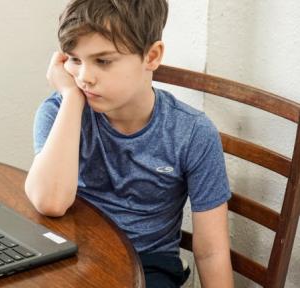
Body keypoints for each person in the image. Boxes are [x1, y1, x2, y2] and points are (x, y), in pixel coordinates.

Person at [24, 0, 234, 287]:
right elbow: (50, 202)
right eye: (74, 59)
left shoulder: (193, 133)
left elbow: (211, 252)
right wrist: (72, 99)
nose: (85, 77)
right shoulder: (58, 112)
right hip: (71, 256)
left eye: (103, 61)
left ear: (151, 56)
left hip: (148, 264)